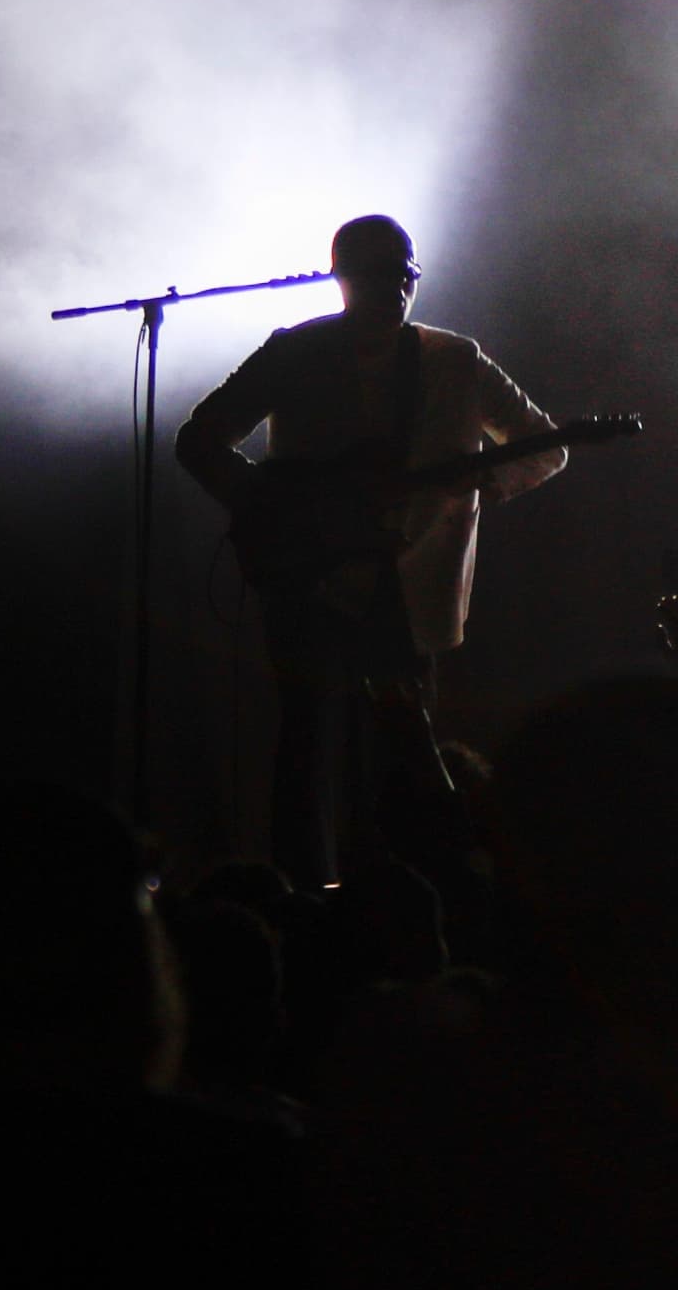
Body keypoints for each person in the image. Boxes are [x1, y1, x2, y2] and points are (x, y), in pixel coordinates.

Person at [177, 215, 566, 885]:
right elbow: (200, 440)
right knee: (308, 744)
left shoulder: (456, 359)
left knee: (402, 750)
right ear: (343, 277)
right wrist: (271, 509)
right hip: (310, 580)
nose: (400, 286)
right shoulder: (293, 351)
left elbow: (546, 446)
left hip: (408, 581)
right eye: (383, 272)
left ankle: (410, 895)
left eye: (407, 272)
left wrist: (481, 482)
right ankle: (308, 897)